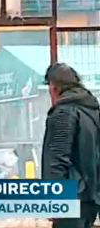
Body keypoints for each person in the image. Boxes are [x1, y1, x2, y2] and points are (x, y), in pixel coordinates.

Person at [42, 63, 100, 228]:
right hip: (91, 196)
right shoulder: (92, 110)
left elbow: (57, 159)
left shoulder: (64, 112)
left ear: (53, 86)